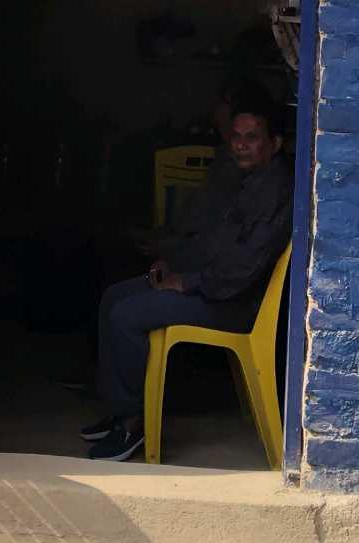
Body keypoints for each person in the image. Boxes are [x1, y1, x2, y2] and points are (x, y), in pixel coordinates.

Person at [84, 89, 291, 462]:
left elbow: (242, 269)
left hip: (232, 304)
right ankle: (118, 409)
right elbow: (212, 242)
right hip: (212, 287)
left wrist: (186, 282)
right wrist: (172, 262)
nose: (240, 145)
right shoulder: (246, 181)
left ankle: (133, 423)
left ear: (275, 144)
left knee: (127, 314)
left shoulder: (274, 193)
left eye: (252, 138)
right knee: (114, 296)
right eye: (236, 137)